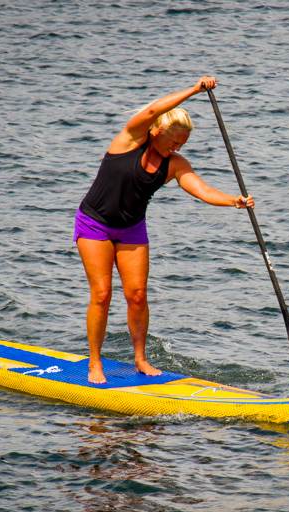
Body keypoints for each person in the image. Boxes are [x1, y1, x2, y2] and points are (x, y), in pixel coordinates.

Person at [73, 76, 253, 384]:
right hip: (94, 224)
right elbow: (153, 109)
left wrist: (232, 201)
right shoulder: (130, 139)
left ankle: (140, 359)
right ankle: (94, 362)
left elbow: (202, 190)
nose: (177, 147)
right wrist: (195, 90)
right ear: (156, 131)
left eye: (183, 143)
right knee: (101, 294)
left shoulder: (175, 164)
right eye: (174, 140)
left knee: (137, 295)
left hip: (131, 229)